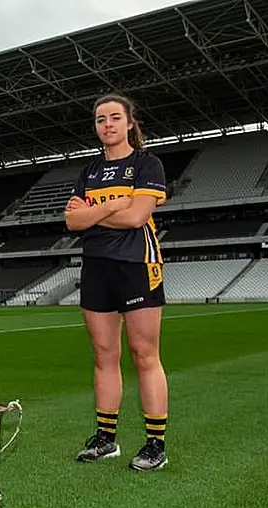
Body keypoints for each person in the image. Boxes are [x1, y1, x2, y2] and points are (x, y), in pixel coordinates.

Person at [64, 94, 169, 472]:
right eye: (99, 119)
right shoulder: (88, 172)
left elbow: (137, 216)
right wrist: (112, 206)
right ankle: (106, 439)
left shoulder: (147, 164)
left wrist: (94, 212)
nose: (106, 124)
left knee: (144, 355)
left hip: (137, 264)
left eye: (114, 118)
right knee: (104, 356)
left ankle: (155, 444)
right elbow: (72, 223)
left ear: (128, 123)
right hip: (96, 266)